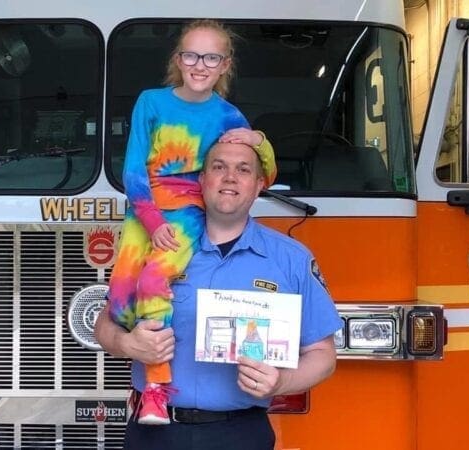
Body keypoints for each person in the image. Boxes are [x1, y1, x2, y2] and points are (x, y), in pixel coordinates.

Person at [95, 140, 342, 450]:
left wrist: (281, 382)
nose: (230, 177)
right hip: (154, 432)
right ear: (202, 180)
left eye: (243, 169)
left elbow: (323, 355)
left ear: (258, 185)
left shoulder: (291, 260)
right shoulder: (155, 248)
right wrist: (126, 342)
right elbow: (105, 322)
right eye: (219, 167)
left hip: (240, 433)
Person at [106, 19, 275, 425]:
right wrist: (149, 221)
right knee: (120, 299)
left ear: (224, 65)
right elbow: (133, 171)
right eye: (191, 55)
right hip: (144, 209)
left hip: (187, 210)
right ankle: (151, 359)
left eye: (211, 57)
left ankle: (156, 391)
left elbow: (258, 174)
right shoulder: (150, 102)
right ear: (178, 60)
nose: (200, 65)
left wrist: (260, 140)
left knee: (153, 282)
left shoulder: (227, 114)